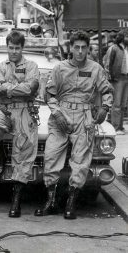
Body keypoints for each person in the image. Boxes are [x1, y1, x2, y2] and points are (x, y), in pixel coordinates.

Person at [35, 31, 113, 220]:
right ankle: (51, 202)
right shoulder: (59, 68)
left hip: (84, 117)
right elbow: (50, 94)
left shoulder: (96, 69)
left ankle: (71, 203)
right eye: (76, 47)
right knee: (51, 156)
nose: (79, 51)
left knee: (80, 161)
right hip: (61, 115)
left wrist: (105, 108)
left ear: (88, 49)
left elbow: (107, 91)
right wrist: (56, 112)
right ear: (71, 48)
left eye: (83, 48)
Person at [0, 30, 40, 218]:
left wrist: (6, 89)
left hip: (25, 110)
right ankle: (1, 150)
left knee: (23, 150)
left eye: (17, 48)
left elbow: (31, 88)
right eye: (11, 47)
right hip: (4, 110)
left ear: (22, 48)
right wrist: (18, 89)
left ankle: (16, 200)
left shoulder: (32, 66)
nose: (14, 51)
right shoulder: (0, 65)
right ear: (6, 47)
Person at [109, 29, 128, 135]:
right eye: (126, 36)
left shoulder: (126, 49)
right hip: (118, 78)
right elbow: (109, 63)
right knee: (116, 104)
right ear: (122, 37)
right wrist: (112, 78)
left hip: (126, 77)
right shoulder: (114, 48)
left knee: (123, 104)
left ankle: (120, 127)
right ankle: (115, 128)